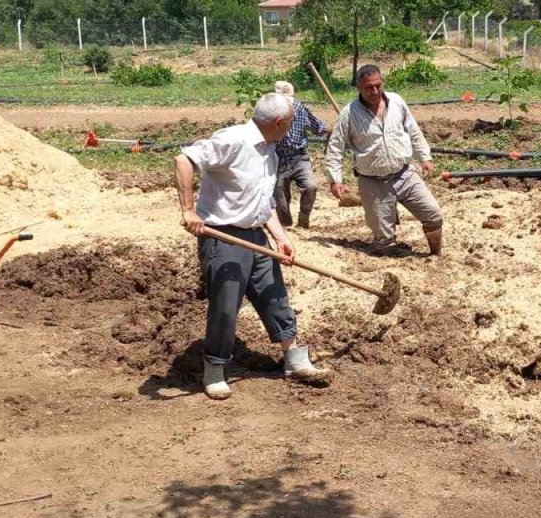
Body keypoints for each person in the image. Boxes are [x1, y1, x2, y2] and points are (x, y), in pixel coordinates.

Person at [174, 92, 331, 400]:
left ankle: (294, 359)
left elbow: (265, 203)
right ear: (278, 122)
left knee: (275, 296)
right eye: (290, 122)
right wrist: (188, 209)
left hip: (256, 235)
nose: (290, 127)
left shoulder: (268, 152)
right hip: (223, 237)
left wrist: (281, 238)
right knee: (225, 306)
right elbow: (184, 159)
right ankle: (215, 369)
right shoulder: (233, 140)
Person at [325, 65, 443, 257]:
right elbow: (336, 146)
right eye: (368, 87)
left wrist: (425, 157)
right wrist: (335, 179)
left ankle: (436, 256)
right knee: (384, 240)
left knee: (433, 214)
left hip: (404, 174)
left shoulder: (396, 102)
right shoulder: (349, 113)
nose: (374, 91)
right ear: (358, 87)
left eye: (378, 85)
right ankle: (388, 254)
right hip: (373, 182)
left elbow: (413, 129)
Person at [272, 80, 328, 229]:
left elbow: (317, 126)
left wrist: (335, 130)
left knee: (310, 186)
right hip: (278, 157)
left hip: (299, 156)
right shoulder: (269, 111)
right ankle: (285, 225)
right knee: (279, 191)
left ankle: (303, 220)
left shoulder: (299, 107)